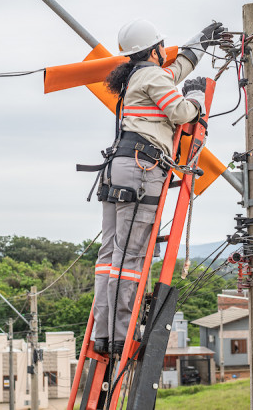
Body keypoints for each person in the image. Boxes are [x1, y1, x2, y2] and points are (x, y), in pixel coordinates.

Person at [89, 18, 225, 355]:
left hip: (118, 169)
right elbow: (180, 113)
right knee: (130, 256)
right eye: (161, 46)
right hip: (141, 169)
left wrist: (202, 41)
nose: (165, 51)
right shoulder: (151, 76)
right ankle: (122, 334)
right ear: (153, 49)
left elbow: (176, 69)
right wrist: (196, 97)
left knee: (110, 256)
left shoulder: (139, 76)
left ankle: (104, 335)